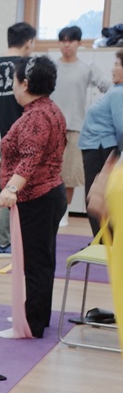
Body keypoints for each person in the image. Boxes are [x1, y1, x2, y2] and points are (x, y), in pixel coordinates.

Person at [0, 56, 67, 338]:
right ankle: (36, 315)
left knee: (36, 263)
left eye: (14, 81)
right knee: (42, 261)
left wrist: (11, 189)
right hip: (50, 194)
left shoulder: (36, 116)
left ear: (24, 83)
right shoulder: (49, 109)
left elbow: (30, 158)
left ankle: (32, 325)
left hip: (39, 198)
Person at [0, 22, 37, 258]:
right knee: (9, 189)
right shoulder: (27, 67)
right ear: (28, 42)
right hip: (17, 139)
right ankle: (2, 244)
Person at [50, 25, 111, 224]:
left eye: (70, 41)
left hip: (75, 127)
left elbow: (107, 87)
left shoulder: (86, 68)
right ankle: (52, 212)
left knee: (69, 174)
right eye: (63, 41)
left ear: (79, 43)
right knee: (49, 173)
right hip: (51, 127)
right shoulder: (52, 67)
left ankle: (64, 213)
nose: (66, 45)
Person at [79, 48, 123, 237]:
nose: (113, 68)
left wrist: (116, 156)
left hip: (101, 148)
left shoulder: (118, 93)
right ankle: (102, 240)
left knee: (96, 198)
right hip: (97, 147)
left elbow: (121, 127)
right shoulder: (115, 90)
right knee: (97, 197)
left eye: (117, 64)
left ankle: (104, 241)